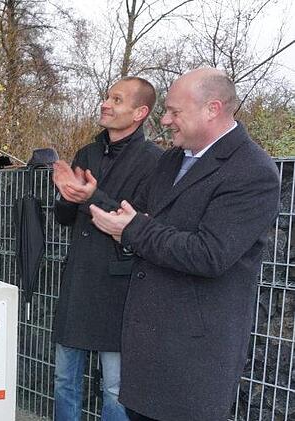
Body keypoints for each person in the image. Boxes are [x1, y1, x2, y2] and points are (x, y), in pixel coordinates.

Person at [89, 68, 280, 421]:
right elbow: (138, 216)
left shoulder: (252, 171)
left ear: (213, 108)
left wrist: (134, 229)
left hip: (193, 361)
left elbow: (210, 254)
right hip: (148, 351)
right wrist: (94, 199)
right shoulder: (172, 159)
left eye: (175, 112)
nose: (164, 120)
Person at [51, 77, 162, 421]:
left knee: (116, 388)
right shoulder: (87, 152)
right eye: (107, 96)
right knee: (63, 379)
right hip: (79, 282)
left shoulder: (155, 161)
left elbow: (141, 224)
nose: (106, 103)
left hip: (120, 288)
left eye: (117, 99)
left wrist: (91, 197)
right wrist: (66, 197)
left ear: (139, 112)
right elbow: (65, 218)